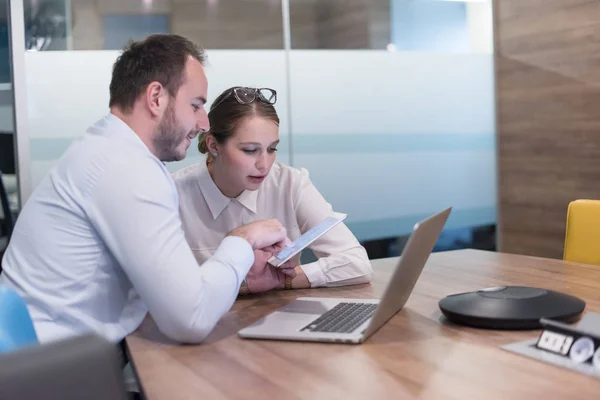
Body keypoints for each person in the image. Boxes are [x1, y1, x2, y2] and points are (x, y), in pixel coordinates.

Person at [0, 35, 289, 345]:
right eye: (195, 105)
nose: (204, 123)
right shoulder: (126, 168)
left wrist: (237, 269)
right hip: (52, 374)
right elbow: (191, 319)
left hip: (46, 360)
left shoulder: (107, 150)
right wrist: (242, 240)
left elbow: (173, 292)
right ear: (155, 98)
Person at [172, 86, 372, 294]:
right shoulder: (173, 194)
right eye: (250, 150)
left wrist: (280, 281)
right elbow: (163, 290)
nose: (264, 164)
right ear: (214, 145)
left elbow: (357, 263)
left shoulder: (289, 183)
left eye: (272, 149)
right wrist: (245, 284)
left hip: (281, 317)